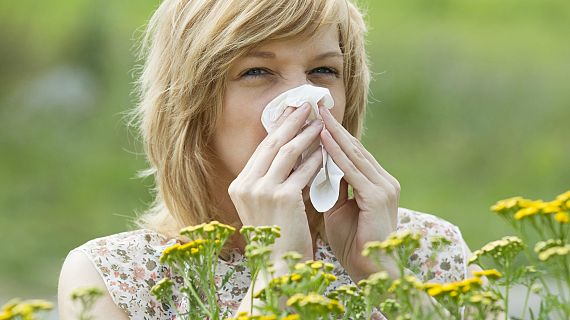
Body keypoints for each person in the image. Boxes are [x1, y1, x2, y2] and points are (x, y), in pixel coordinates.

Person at [58, 0, 480, 319]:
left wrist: (387, 277)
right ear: (192, 103)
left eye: (323, 72)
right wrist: (277, 273)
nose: (305, 103)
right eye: (257, 72)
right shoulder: (114, 278)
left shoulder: (427, 248)